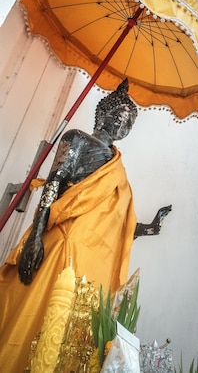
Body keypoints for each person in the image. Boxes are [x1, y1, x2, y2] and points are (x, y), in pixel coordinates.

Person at [0, 79, 171, 371]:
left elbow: (118, 226)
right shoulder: (77, 138)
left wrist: (150, 227)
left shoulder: (118, 172)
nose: (120, 122)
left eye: (127, 121)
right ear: (101, 112)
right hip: (62, 248)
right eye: (116, 113)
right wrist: (34, 237)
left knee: (71, 341)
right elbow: (52, 186)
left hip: (92, 271)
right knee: (34, 319)